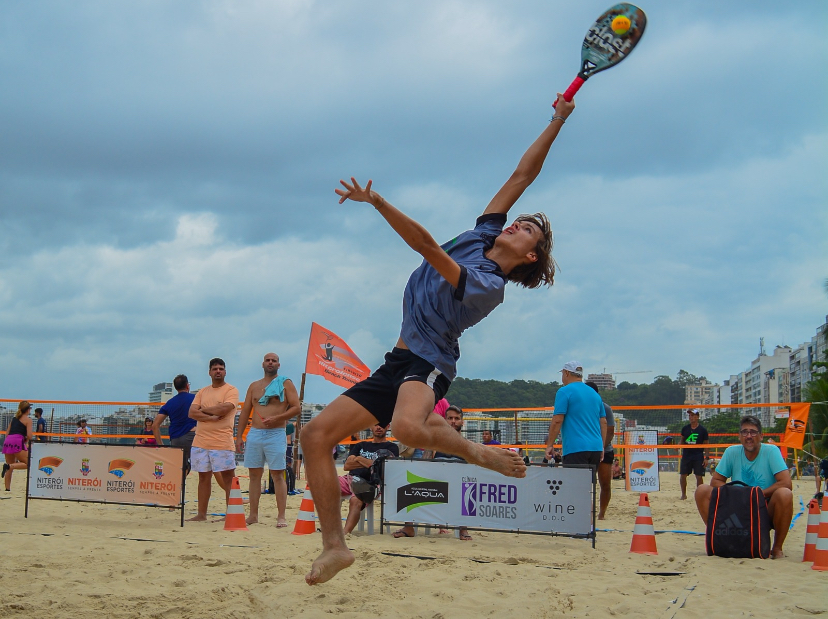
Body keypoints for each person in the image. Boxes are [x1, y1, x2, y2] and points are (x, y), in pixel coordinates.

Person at [301, 94, 574, 585]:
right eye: (520, 219)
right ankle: (334, 547)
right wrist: (557, 118)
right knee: (314, 435)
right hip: (397, 360)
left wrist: (378, 202)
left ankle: (479, 454)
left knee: (407, 428)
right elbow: (521, 175)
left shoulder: (489, 284)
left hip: (430, 362)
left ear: (531, 255)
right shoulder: (482, 234)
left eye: (529, 229)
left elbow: (426, 246)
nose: (518, 223)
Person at [694, 415, 793, 559]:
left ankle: (777, 548)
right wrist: (737, 494)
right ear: (739, 436)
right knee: (702, 490)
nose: (749, 436)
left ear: (761, 436)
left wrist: (757, 495)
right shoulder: (732, 452)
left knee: (785, 494)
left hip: (763, 506)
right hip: (737, 506)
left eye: (753, 432)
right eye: (745, 432)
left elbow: (786, 483)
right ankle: (720, 536)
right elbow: (716, 481)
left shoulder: (771, 451)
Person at [236, 352, 301, 526]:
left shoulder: (285, 383)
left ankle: (281, 516)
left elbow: (296, 408)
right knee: (254, 475)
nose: (270, 363)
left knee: (278, 474)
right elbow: (245, 411)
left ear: (278, 365)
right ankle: (253, 515)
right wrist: (239, 436)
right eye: (267, 360)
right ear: (262, 364)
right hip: (255, 433)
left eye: (274, 360)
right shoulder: (254, 386)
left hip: (276, 433)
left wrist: (278, 418)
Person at [394, 405, 472, 540]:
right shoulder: (436, 443)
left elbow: (472, 471)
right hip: (437, 483)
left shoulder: (467, 445)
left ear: (462, 422)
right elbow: (424, 464)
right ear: (445, 420)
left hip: (457, 485)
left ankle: (463, 530)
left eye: (456, 418)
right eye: (450, 418)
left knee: (466, 491)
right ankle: (409, 528)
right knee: (410, 487)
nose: (453, 421)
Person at [187, 358, 240, 522]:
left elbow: (224, 408)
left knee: (228, 478)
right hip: (201, 441)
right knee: (203, 478)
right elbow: (191, 413)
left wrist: (202, 411)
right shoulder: (202, 392)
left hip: (222, 441)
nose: (218, 371)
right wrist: (211, 416)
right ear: (209, 372)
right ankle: (201, 514)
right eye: (215, 369)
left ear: (225, 372)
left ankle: (231, 514)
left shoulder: (231, 390)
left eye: (221, 369)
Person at [544, 362, 606, 466]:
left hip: (575, 448)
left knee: (574, 477)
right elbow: (603, 422)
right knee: (589, 477)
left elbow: (558, 420)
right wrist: (601, 446)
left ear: (567, 373)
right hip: (596, 448)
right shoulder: (594, 394)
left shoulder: (564, 391)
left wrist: (550, 445)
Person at [340, 423, 399, 534]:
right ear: (371, 427)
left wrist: (358, 458)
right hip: (350, 478)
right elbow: (347, 466)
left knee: (356, 499)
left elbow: (384, 469)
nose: (378, 427)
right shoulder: (361, 445)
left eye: (382, 425)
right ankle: (330, 528)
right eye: (376, 425)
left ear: (388, 427)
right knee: (328, 486)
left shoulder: (391, 447)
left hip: (370, 482)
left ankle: (344, 533)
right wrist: (372, 464)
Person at [152, 374, 197, 474]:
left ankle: (180, 483)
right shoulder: (195, 398)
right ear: (187, 385)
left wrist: (161, 445)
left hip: (175, 438)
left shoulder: (170, 403)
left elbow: (155, 425)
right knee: (204, 466)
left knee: (180, 468)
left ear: (176, 387)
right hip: (192, 436)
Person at [585, 381, 615, 520]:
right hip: (586, 449)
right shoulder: (580, 407)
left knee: (605, 484)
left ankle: (602, 513)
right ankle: (587, 512)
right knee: (584, 484)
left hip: (604, 449)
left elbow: (610, 431)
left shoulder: (605, 408)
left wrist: (600, 447)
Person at [3, 401, 33, 491]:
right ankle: (10, 466)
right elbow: (29, 435)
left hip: (8, 441)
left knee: (9, 465)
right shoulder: (28, 420)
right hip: (17, 441)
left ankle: (7, 489)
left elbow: (7, 433)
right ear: (28, 410)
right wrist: (26, 440)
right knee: (29, 463)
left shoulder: (14, 419)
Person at [679, 408, 709, 500]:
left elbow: (706, 445)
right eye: (690, 415)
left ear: (697, 417)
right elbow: (682, 441)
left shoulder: (703, 430)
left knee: (699, 476)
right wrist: (677, 447)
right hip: (686, 455)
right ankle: (683, 495)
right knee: (683, 475)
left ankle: (700, 495)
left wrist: (706, 458)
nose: (691, 417)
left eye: (692, 415)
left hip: (698, 455)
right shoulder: (685, 429)